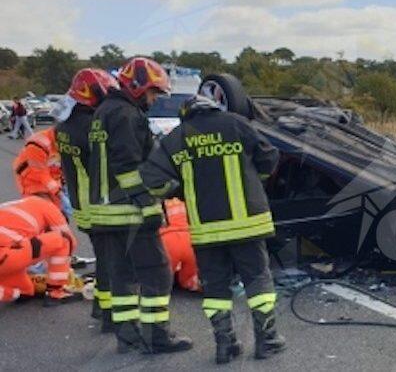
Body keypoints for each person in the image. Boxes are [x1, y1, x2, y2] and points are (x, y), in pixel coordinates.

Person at [141, 95, 284, 364]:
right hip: (248, 224)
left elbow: (152, 179)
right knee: (258, 280)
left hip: (207, 230)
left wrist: (181, 191)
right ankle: (268, 341)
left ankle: (224, 344)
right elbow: (270, 157)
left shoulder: (177, 137)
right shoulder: (236, 124)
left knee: (215, 288)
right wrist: (254, 180)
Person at [88, 57, 192, 354]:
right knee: (158, 272)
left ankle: (128, 337)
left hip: (105, 212)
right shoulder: (126, 115)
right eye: (153, 92)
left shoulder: (104, 111)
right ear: (137, 87)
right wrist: (149, 208)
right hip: (128, 212)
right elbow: (129, 169)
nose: (154, 99)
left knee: (122, 276)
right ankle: (157, 336)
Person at [59, 68, 119, 332]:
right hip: (96, 204)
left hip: (80, 203)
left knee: (104, 257)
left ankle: (101, 307)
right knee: (110, 262)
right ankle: (107, 314)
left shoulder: (64, 125)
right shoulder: (91, 126)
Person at [0, 196, 78, 305]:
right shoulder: (51, 209)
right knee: (63, 240)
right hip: (7, 253)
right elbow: (70, 241)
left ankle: (17, 293)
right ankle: (55, 292)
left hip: (7, 256)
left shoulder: (21, 205)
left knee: (25, 291)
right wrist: (64, 269)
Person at [11, 127, 62, 208]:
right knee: (46, 212)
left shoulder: (64, 140)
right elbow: (40, 174)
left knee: (57, 212)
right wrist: (59, 192)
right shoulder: (38, 144)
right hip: (33, 183)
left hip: (52, 181)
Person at [160, 198, 199, 292]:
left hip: (166, 240)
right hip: (189, 240)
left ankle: (163, 287)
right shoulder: (184, 203)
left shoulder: (157, 204)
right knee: (189, 274)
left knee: (162, 273)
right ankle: (195, 283)